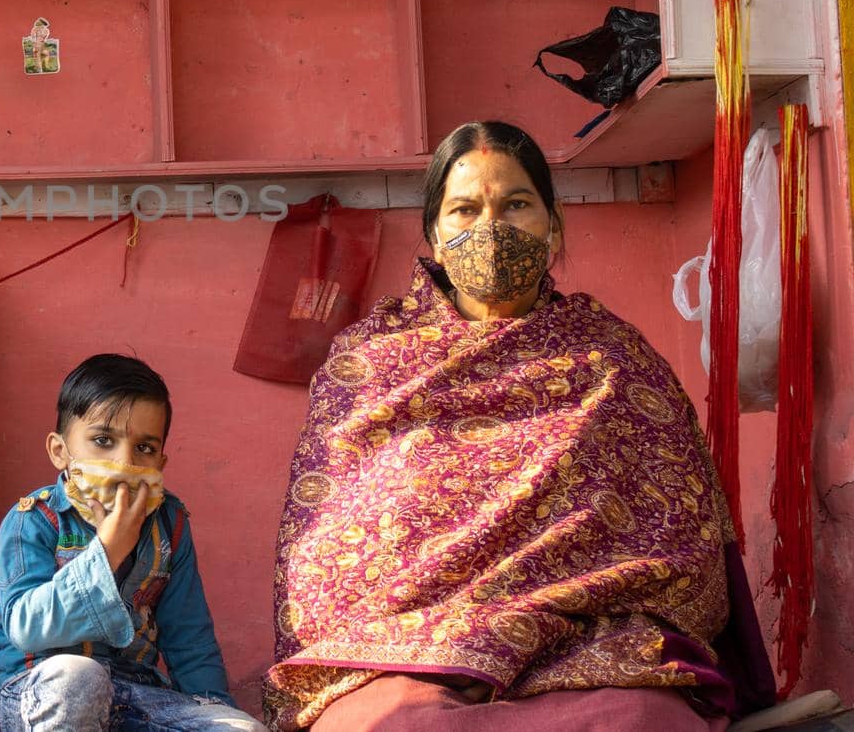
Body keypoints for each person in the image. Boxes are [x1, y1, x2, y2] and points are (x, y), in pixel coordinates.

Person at [266, 121, 775, 731]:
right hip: (411, 650)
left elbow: (680, 533)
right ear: (433, 230)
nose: (491, 229)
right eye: (464, 209)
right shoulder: (370, 364)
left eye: (515, 205)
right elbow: (327, 553)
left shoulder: (612, 357)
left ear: (552, 223)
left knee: (637, 720)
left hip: (595, 642)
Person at [0, 353, 267, 731]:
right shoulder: (33, 519)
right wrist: (108, 548)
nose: (125, 463)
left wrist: (215, 711)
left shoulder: (170, 523)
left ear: (161, 463)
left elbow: (189, 638)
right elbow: (25, 626)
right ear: (60, 452)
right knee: (78, 678)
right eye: (103, 440)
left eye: (144, 449)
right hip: (41, 692)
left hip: (138, 697)